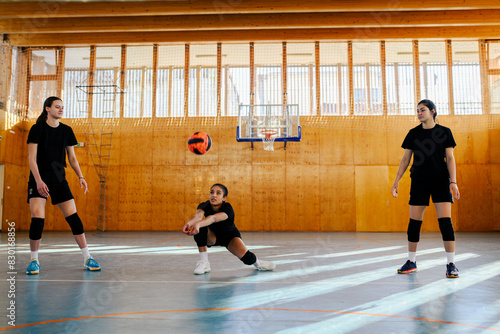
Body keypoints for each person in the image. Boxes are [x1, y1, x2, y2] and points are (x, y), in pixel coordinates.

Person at [25, 96, 101, 275]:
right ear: (47, 109)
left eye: (62, 107)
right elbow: (32, 159)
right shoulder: (37, 129)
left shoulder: (67, 130)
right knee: (37, 217)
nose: (61, 109)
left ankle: (87, 257)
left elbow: (72, 158)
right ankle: (34, 260)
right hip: (39, 177)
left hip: (59, 177)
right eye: (57, 107)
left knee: (73, 217)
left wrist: (81, 176)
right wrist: (38, 181)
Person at [391, 99, 460, 278]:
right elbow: (405, 159)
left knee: (445, 221)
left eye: (422, 110)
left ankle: (451, 264)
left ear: (432, 111)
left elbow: (450, 158)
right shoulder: (413, 134)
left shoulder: (445, 132)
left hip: (440, 181)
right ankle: (411, 261)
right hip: (419, 181)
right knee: (414, 223)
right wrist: (396, 180)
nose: (419, 113)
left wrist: (453, 182)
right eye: (417, 110)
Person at [182, 183, 275, 275]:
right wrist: (189, 223)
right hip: (213, 236)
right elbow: (198, 215)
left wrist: (198, 223)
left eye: (218, 193)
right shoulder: (205, 205)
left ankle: (258, 263)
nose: (214, 195)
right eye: (212, 192)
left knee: (247, 259)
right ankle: (204, 263)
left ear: (224, 198)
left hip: (229, 237)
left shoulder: (227, 208)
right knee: (200, 229)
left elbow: (213, 218)